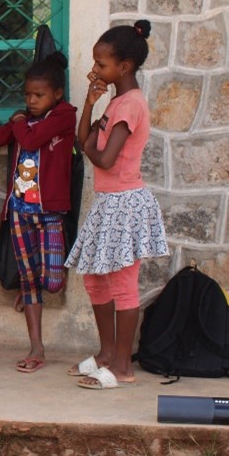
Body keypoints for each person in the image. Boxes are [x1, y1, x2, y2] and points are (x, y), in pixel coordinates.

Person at [66, 20, 168, 389]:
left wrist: (91, 144)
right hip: (109, 202)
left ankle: (123, 366)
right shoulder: (116, 101)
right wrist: (90, 106)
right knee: (96, 280)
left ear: (124, 67)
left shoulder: (131, 105)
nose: (95, 70)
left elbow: (103, 158)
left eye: (102, 64)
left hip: (125, 203)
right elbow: (85, 143)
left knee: (123, 284)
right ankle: (106, 354)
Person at [0, 52, 77, 372]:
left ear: (57, 94)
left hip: (50, 213)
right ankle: (37, 347)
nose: (30, 100)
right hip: (18, 212)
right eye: (27, 94)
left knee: (52, 282)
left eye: (39, 95)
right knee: (28, 281)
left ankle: (35, 292)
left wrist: (16, 123)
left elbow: (33, 138)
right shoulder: (22, 121)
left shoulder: (64, 116)